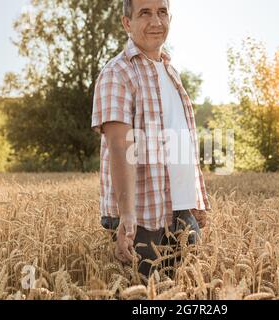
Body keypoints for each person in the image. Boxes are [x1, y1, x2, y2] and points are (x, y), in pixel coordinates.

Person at [91, 0, 211, 278]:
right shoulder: (118, 73)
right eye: (145, 13)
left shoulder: (170, 71)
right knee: (144, 295)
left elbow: (180, 138)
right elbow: (120, 148)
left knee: (184, 293)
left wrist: (194, 199)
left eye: (162, 12)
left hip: (180, 212)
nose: (156, 21)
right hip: (142, 217)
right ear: (126, 23)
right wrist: (127, 216)